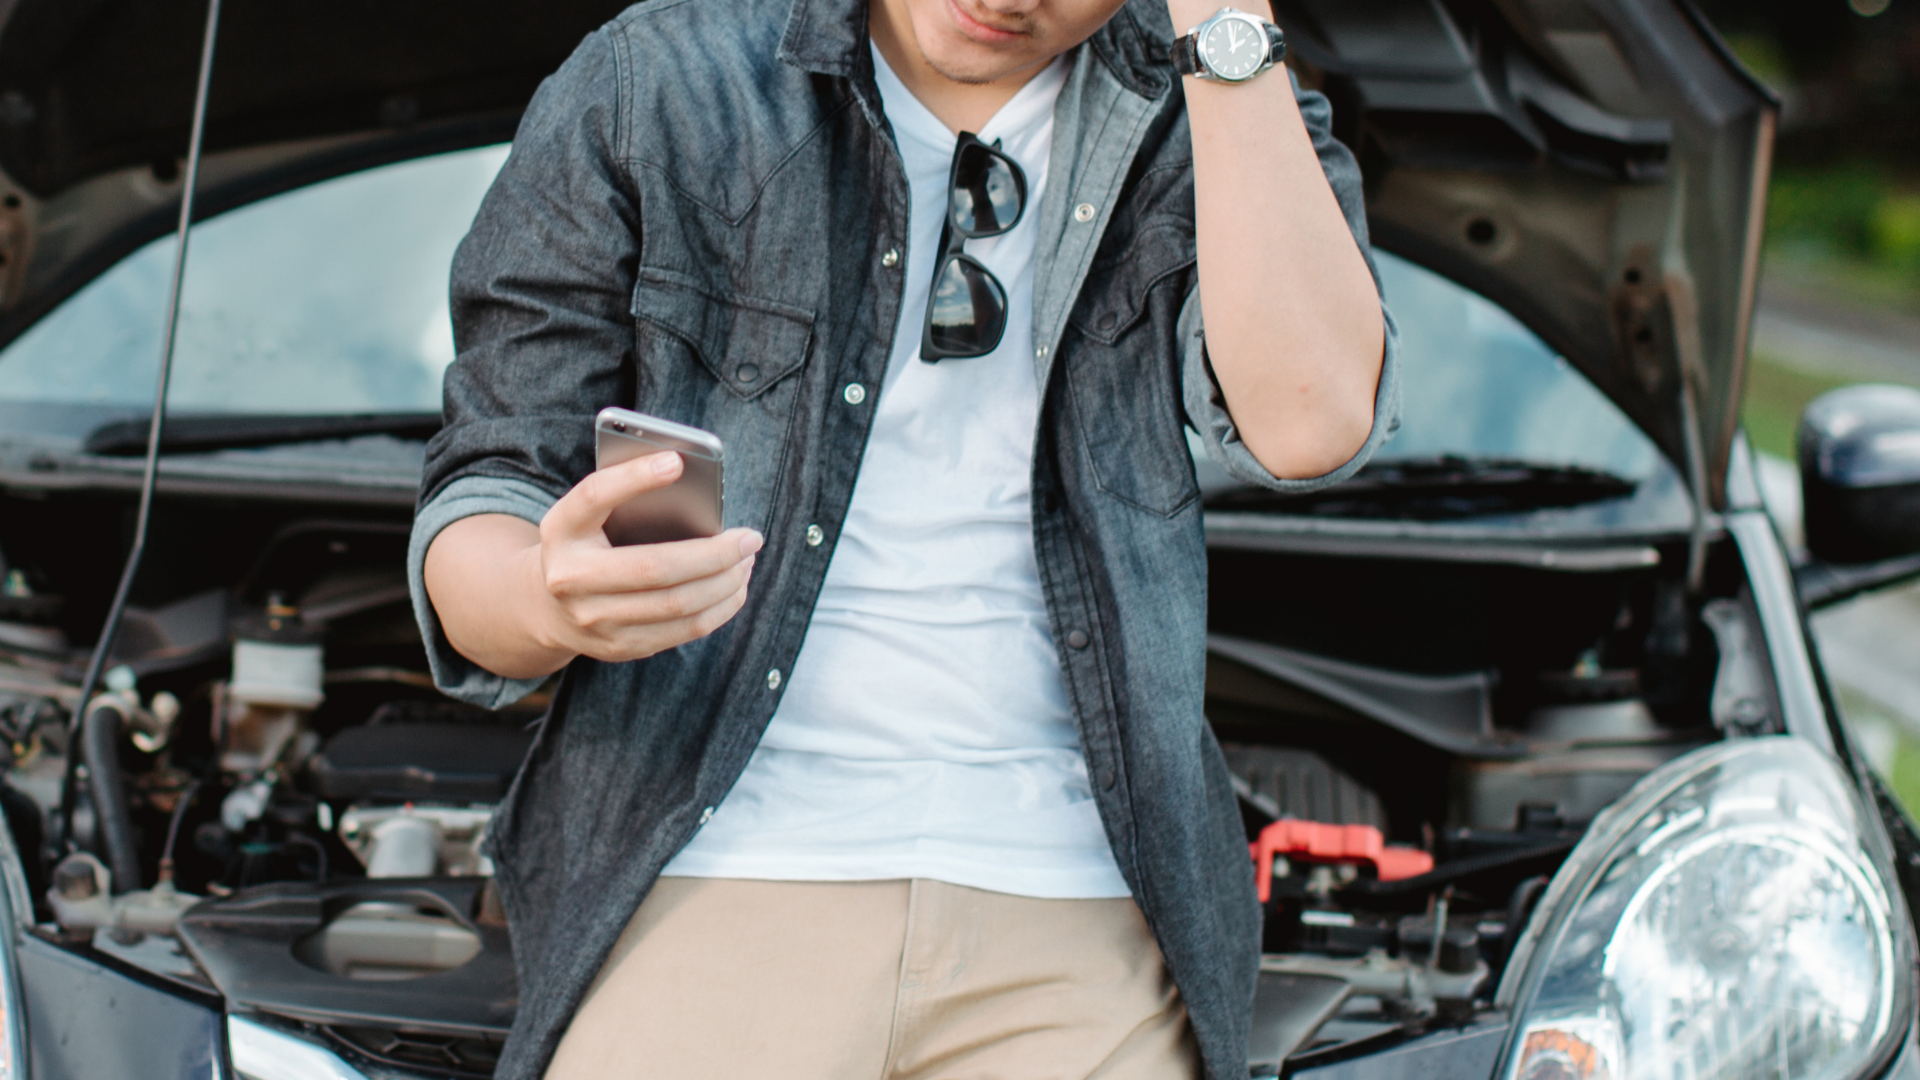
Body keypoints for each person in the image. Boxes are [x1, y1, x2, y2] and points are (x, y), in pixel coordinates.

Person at [408, 0, 1397, 1070]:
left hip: (1083, 907)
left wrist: (1228, 30)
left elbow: (1310, 423)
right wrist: (545, 599)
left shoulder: (1219, 94)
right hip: (709, 870)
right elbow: (489, 488)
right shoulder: (661, 79)